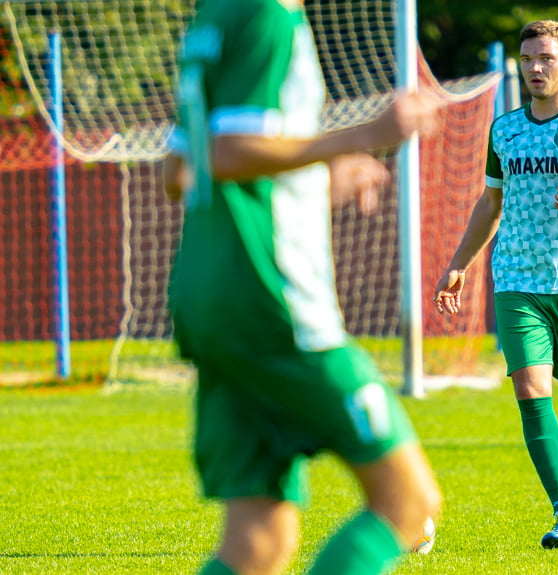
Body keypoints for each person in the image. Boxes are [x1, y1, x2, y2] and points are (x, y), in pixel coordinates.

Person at [163, 1, 442, 573]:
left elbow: (179, 170)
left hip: (213, 296)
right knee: (407, 505)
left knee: (257, 543)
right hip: (271, 299)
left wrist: (316, 180)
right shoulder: (269, 16)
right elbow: (225, 153)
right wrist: (364, 134)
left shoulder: (217, 18)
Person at [434, 19, 558, 549]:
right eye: (528, 58)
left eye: (546, 59)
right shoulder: (504, 130)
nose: (536, 68)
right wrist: (460, 263)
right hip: (517, 281)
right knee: (530, 389)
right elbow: (491, 202)